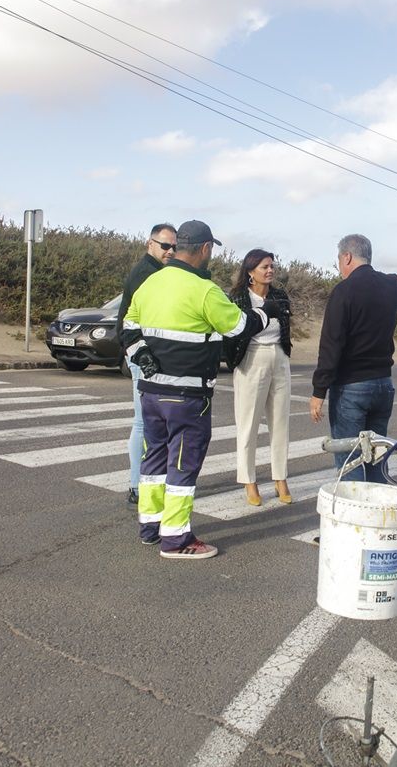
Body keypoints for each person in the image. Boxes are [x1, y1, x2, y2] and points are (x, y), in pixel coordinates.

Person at [120, 220, 281, 559]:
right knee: (183, 466)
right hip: (187, 396)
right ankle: (176, 540)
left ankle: (150, 527)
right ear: (206, 249)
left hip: (151, 393)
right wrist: (266, 314)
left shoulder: (151, 283)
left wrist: (141, 356)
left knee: (154, 461)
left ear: (178, 247)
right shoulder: (204, 290)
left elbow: (128, 327)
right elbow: (238, 326)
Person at [310, 234, 397, 482]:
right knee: (376, 459)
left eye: (339, 260)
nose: (339, 266)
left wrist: (319, 392)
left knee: (350, 462)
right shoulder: (391, 285)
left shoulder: (344, 291)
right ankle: (379, 514)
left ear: (347, 256)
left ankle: (356, 517)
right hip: (383, 386)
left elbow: (331, 345)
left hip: (351, 388)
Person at [224, 249, 293, 507]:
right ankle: (249, 482)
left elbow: (286, 328)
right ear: (251, 271)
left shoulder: (280, 296)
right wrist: (234, 362)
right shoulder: (239, 298)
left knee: (280, 423)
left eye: (272, 266)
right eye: (264, 266)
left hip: (279, 357)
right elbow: (229, 333)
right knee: (248, 424)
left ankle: (280, 478)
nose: (270, 270)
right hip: (251, 358)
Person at [115, 223, 177, 508]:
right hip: (142, 354)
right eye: (165, 246)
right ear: (150, 244)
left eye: (174, 246)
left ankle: (142, 483)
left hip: (144, 353)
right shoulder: (146, 273)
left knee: (146, 421)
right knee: (143, 421)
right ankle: (137, 486)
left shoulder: (158, 272)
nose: (170, 251)